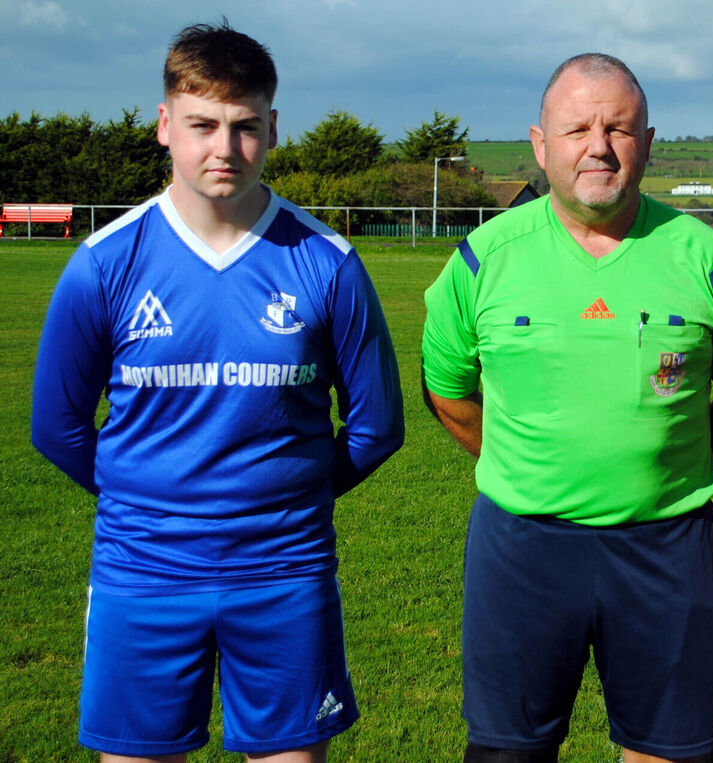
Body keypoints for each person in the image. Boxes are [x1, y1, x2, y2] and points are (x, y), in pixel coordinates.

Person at [31, 21, 404, 762]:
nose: (224, 149)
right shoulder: (104, 263)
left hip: (284, 573)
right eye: (202, 125)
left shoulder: (328, 264)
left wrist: (287, 499)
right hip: (143, 573)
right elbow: (57, 427)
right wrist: (147, 502)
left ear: (272, 128)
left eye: (245, 127)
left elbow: (376, 427)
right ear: (165, 125)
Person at [421, 53, 713, 763]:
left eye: (618, 127)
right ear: (540, 143)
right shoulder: (483, 259)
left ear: (648, 140)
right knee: (507, 753)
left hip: (667, 547)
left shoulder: (704, 256)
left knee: (670, 751)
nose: (598, 146)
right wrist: (525, 465)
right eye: (577, 127)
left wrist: (662, 468)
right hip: (521, 547)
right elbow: (446, 390)